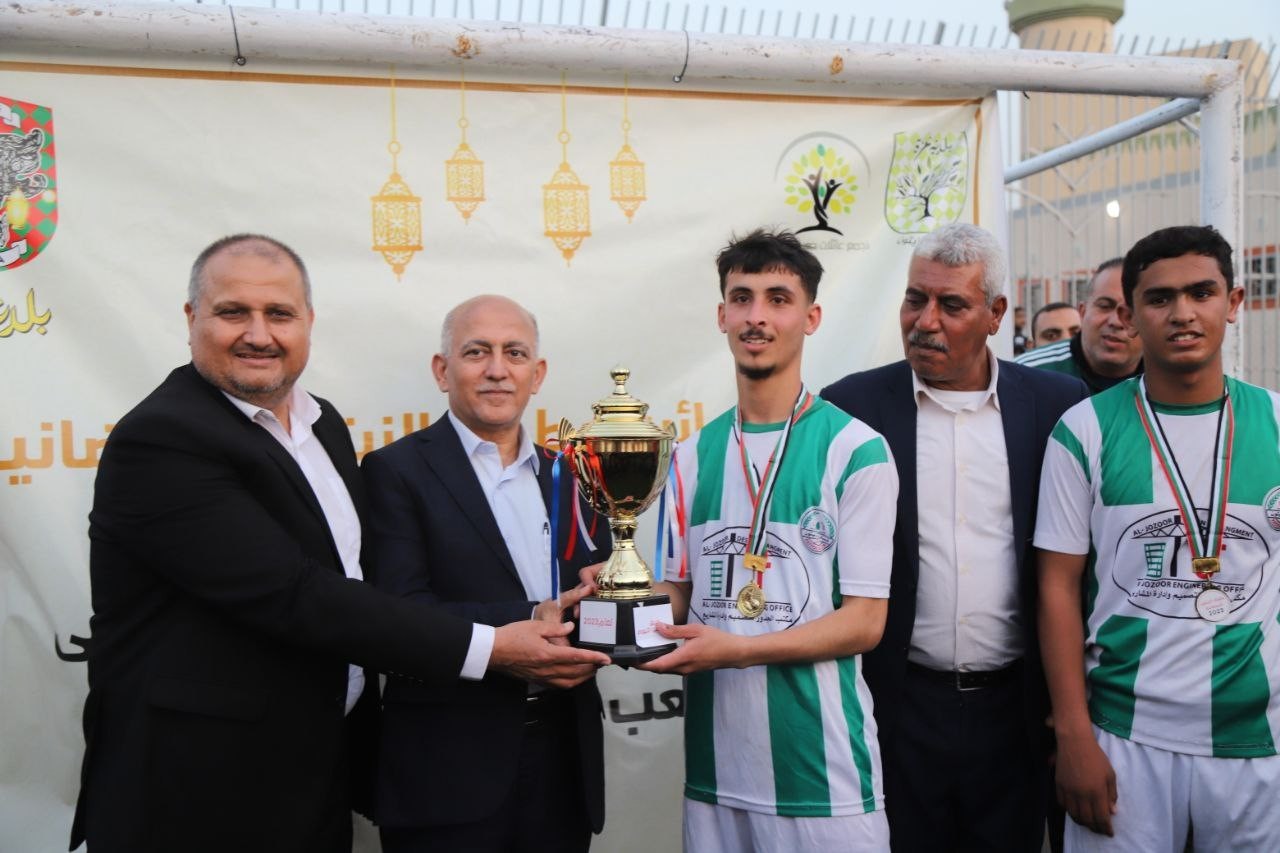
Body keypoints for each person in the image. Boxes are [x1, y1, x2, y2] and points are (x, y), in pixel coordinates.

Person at [70, 235, 608, 853]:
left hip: (314, 771)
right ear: (192, 318)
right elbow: (296, 594)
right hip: (197, 788)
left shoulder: (320, 423)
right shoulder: (162, 439)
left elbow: (352, 576)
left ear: (308, 322)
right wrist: (492, 644)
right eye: (233, 312)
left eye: (279, 314)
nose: (259, 334)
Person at [611, 228, 898, 850]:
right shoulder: (690, 456)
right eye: (742, 298)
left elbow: (865, 623)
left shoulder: (856, 450)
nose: (757, 316)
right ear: (722, 315)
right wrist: (617, 600)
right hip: (715, 777)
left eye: (778, 299)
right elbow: (678, 595)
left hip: (823, 777)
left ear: (811, 318)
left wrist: (738, 649)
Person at [821, 223, 1088, 852]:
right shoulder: (851, 406)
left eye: (952, 304)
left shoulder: (1057, 405)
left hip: (1016, 715)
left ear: (996, 314)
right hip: (896, 709)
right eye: (916, 299)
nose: (926, 322)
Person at [1036, 225, 1279, 851]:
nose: (1183, 313)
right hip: (1122, 735)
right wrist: (1073, 735)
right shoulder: (1083, 429)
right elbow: (1057, 588)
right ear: (1132, 313)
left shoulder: (1278, 422)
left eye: (1202, 293)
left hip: (1258, 739)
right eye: (1160, 297)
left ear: (1235, 301)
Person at [361, 295, 610, 852]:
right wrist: (530, 617)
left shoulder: (573, 475)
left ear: (536, 375)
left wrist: (615, 604)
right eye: (477, 352)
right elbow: (396, 614)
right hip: (447, 769)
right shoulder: (393, 471)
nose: (498, 369)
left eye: (514, 353)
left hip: (563, 760)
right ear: (442, 370)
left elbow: (593, 592)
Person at [1017, 259, 1143, 394]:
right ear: (1083, 312)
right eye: (1105, 306)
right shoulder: (1023, 373)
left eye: (1130, 312)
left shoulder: (1160, 376)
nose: (1116, 322)